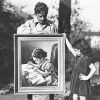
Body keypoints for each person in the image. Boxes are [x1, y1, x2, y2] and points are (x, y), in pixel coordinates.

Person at [17, 2, 58, 100]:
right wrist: (34, 32)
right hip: (40, 70)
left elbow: (57, 41)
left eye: (45, 16)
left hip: (47, 71)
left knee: (48, 89)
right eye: (40, 16)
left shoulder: (52, 25)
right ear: (35, 14)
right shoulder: (29, 23)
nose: (43, 19)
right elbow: (19, 31)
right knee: (31, 85)